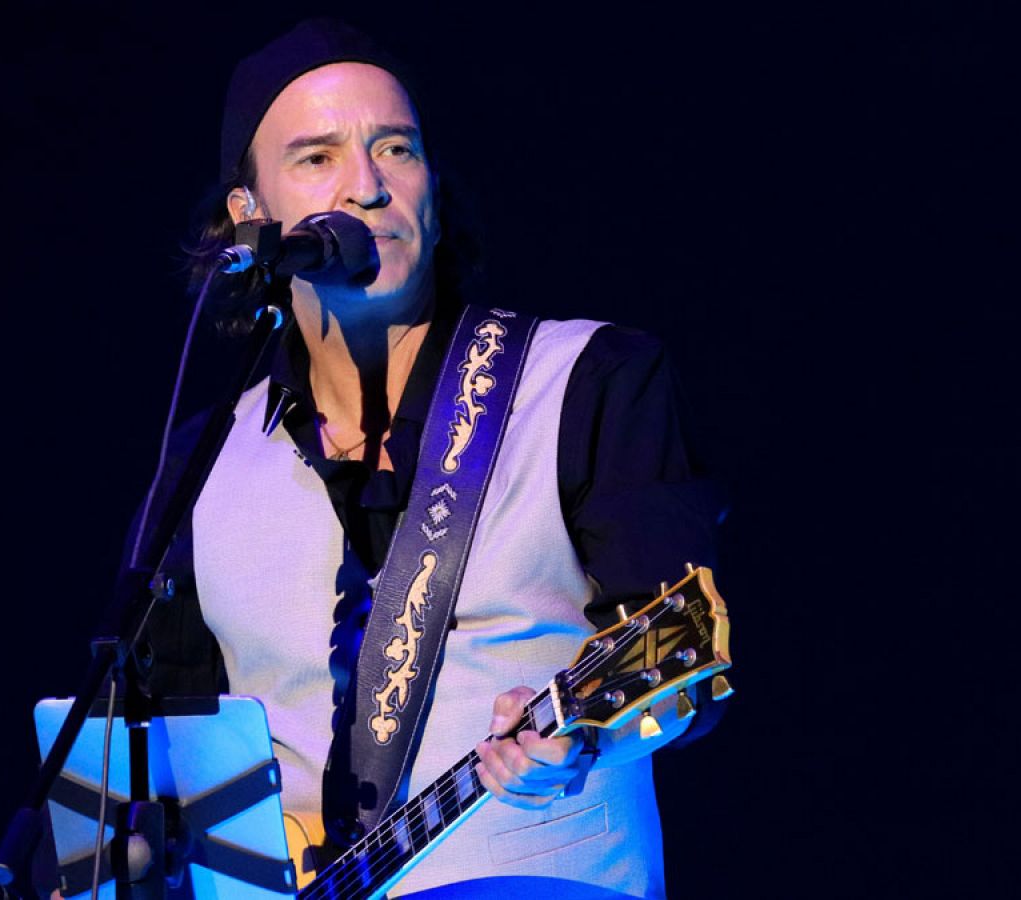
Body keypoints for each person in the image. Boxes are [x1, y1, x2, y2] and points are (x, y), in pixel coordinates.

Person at [131, 19, 723, 899]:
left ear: (433, 189)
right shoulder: (206, 462)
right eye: (317, 158)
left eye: (395, 150)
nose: (367, 188)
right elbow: (162, 756)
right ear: (249, 219)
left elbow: (683, 669)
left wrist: (587, 736)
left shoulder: (586, 381)